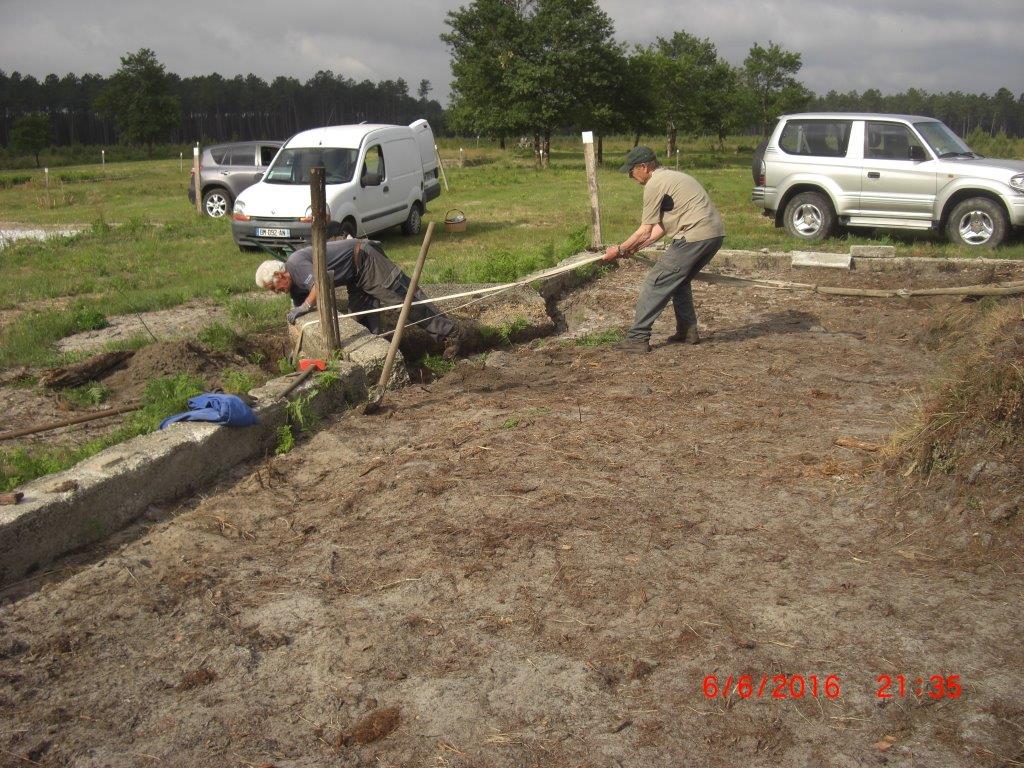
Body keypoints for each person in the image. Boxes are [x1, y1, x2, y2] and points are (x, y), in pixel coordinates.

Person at [255, 234, 461, 358]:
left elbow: (321, 284)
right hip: (354, 276)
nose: (275, 292)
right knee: (361, 318)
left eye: (273, 287)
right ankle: (381, 354)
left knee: (404, 301)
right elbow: (298, 305)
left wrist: (305, 306)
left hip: (364, 259)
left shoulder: (296, 264)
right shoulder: (293, 282)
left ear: (280, 274)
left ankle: (451, 335)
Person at [602, 146, 725, 353]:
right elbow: (660, 227)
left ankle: (637, 338)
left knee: (655, 282)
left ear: (644, 166)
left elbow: (644, 230)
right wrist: (634, 248)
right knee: (679, 281)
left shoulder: (654, 184)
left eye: (631, 170)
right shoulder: (672, 178)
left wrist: (619, 249)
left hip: (694, 237)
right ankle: (688, 331)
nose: (630, 176)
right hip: (714, 235)